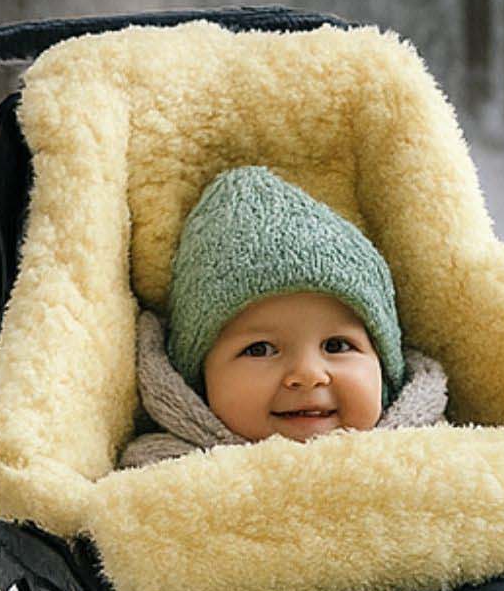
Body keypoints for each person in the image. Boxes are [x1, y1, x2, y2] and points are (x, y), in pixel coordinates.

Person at [117, 165, 447, 472]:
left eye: (337, 345)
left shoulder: (436, 460)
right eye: (260, 349)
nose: (308, 375)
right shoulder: (164, 475)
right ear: (198, 380)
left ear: (385, 371)